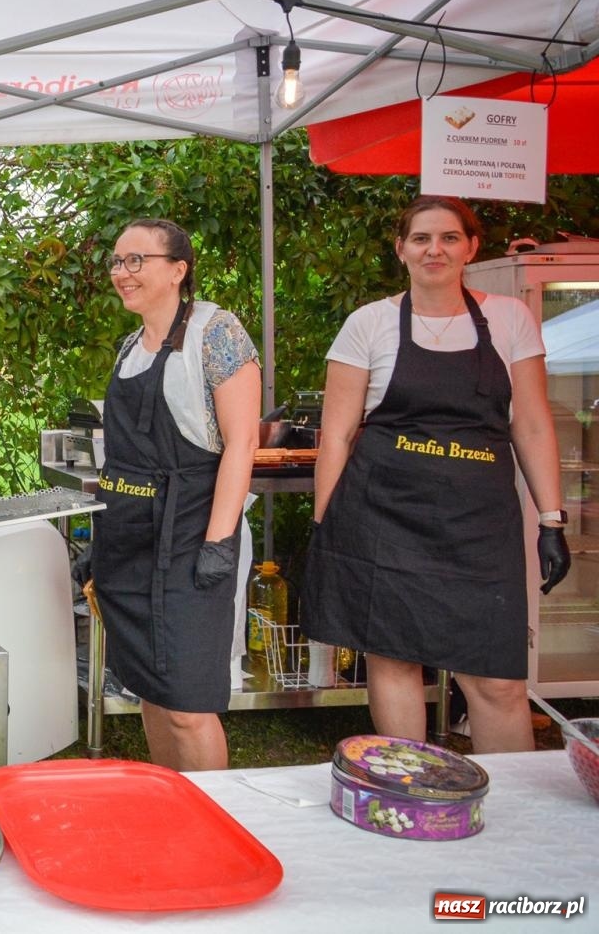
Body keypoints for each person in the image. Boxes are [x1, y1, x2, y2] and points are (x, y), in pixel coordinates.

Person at [301, 195, 569, 752]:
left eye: (449, 237)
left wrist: (551, 519)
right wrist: (328, 525)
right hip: (382, 517)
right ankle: (411, 792)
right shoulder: (368, 324)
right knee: (394, 659)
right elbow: (339, 435)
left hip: (477, 526)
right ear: (401, 250)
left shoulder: (509, 318)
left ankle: (513, 816)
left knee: (496, 679)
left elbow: (535, 426)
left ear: (471, 247)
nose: (435, 249)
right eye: (421, 238)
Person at [90, 218, 261, 771]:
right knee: (150, 688)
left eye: (137, 260)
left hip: (191, 535)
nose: (123, 272)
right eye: (117, 262)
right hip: (130, 542)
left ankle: (216, 823)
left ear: (178, 270)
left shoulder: (217, 332)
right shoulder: (129, 347)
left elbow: (243, 444)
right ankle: (173, 806)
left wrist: (218, 542)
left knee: (188, 701)